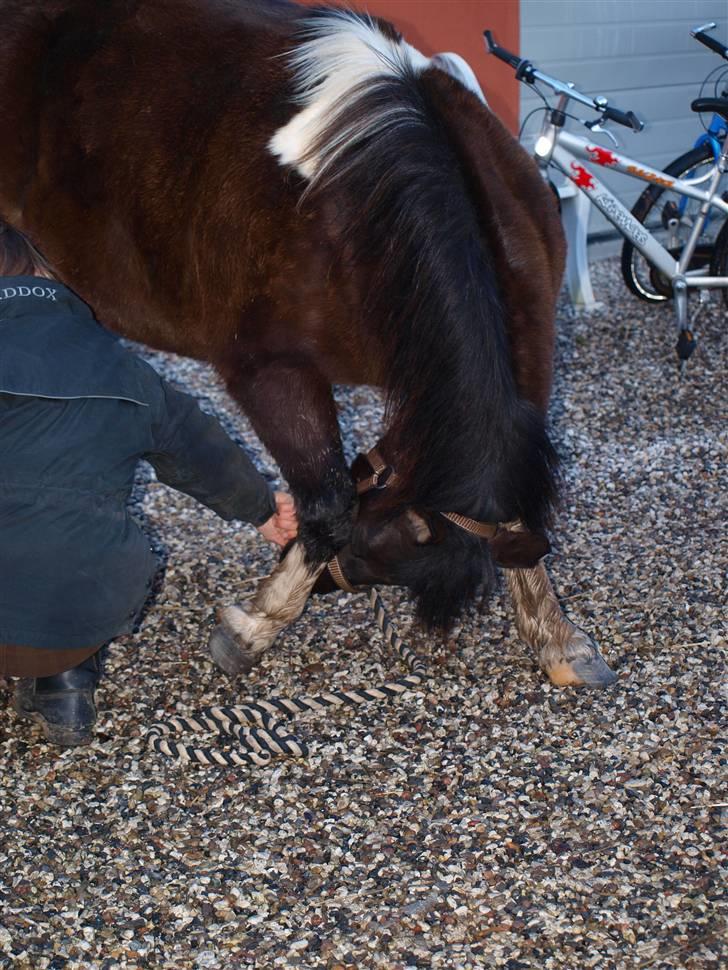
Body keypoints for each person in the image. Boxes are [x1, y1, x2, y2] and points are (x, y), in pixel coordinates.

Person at [0, 221, 298, 747]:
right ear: (53, 280)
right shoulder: (124, 368)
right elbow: (202, 450)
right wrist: (262, 509)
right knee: (80, 530)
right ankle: (66, 689)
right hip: (79, 615)